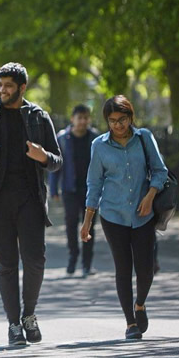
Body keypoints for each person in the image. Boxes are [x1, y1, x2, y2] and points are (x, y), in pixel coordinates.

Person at [0, 62, 62, 346]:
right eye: (0, 85)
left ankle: (29, 315)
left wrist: (43, 156)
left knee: (35, 261)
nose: (2, 90)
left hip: (30, 201)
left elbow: (57, 161)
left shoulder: (38, 117)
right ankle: (13, 324)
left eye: (8, 86)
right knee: (6, 264)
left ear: (22, 87)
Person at [81, 95, 168, 341]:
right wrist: (87, 220)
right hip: (112, 215)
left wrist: (150, 195)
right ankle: (130, 323)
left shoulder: (144, 138)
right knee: (123, 268)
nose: (118, 125)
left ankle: (140, 304)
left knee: (146, 268)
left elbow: (160, 171)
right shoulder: (99, 145)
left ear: (130, 117)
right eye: (112, 121)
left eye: (122, 119)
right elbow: (94, 183)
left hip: (143, 214)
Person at [49, 104, 100, 277]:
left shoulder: (95, 138)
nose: (83, 121)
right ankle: (73, 256)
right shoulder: (62, 138)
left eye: (86, 118)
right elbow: (56, 164)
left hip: (91, 190)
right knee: (71, 223)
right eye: (80, 118)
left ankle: (87, 263)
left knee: (89, 226)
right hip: (70, 189)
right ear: (73, 119)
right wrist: (53, 189)